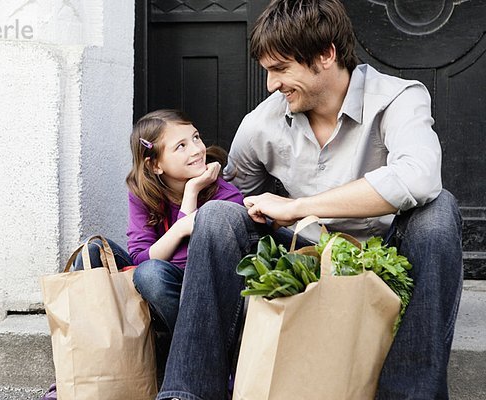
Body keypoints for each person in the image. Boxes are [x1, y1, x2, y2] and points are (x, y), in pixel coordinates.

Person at [156, 1, 463, 399]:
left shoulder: (398, 98)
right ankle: (187, 393)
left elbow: (419, 177)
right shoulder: (262, 123)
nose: (270, 84)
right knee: (218, 217)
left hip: (386, 259)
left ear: (325, 55)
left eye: (280, 69)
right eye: (267, 71)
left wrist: (300, 207)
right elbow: (233, 197)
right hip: (304, 256)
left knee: (439, 211)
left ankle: (411, 394)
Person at [72, 109, 244, 376]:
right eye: (181, 146)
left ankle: (198, 359)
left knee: (152, 274)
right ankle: (87, 367)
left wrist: (193, 191)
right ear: (155, 165)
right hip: (155, 286)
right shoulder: (143, 193)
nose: (197, 149)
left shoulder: (224, 195)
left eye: (196, 137)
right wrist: (180, 228)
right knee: (92, 251)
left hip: (201, 293)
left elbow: (187, 264)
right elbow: (139, 255)